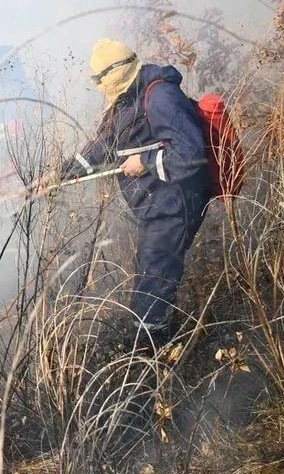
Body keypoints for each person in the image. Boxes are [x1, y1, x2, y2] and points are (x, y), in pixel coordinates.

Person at [57, 38, 213, 345]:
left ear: (111, 76)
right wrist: (60, 174)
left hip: (175, 206)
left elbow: (191, 153)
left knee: (152, 288)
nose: (99, 87)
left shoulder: (160, 96)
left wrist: (144, 161)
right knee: (150, 279)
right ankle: (158, 340)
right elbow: (103, 146)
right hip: (157, 208)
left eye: (100, 80)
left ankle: (152, 354)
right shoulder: (126, 100)